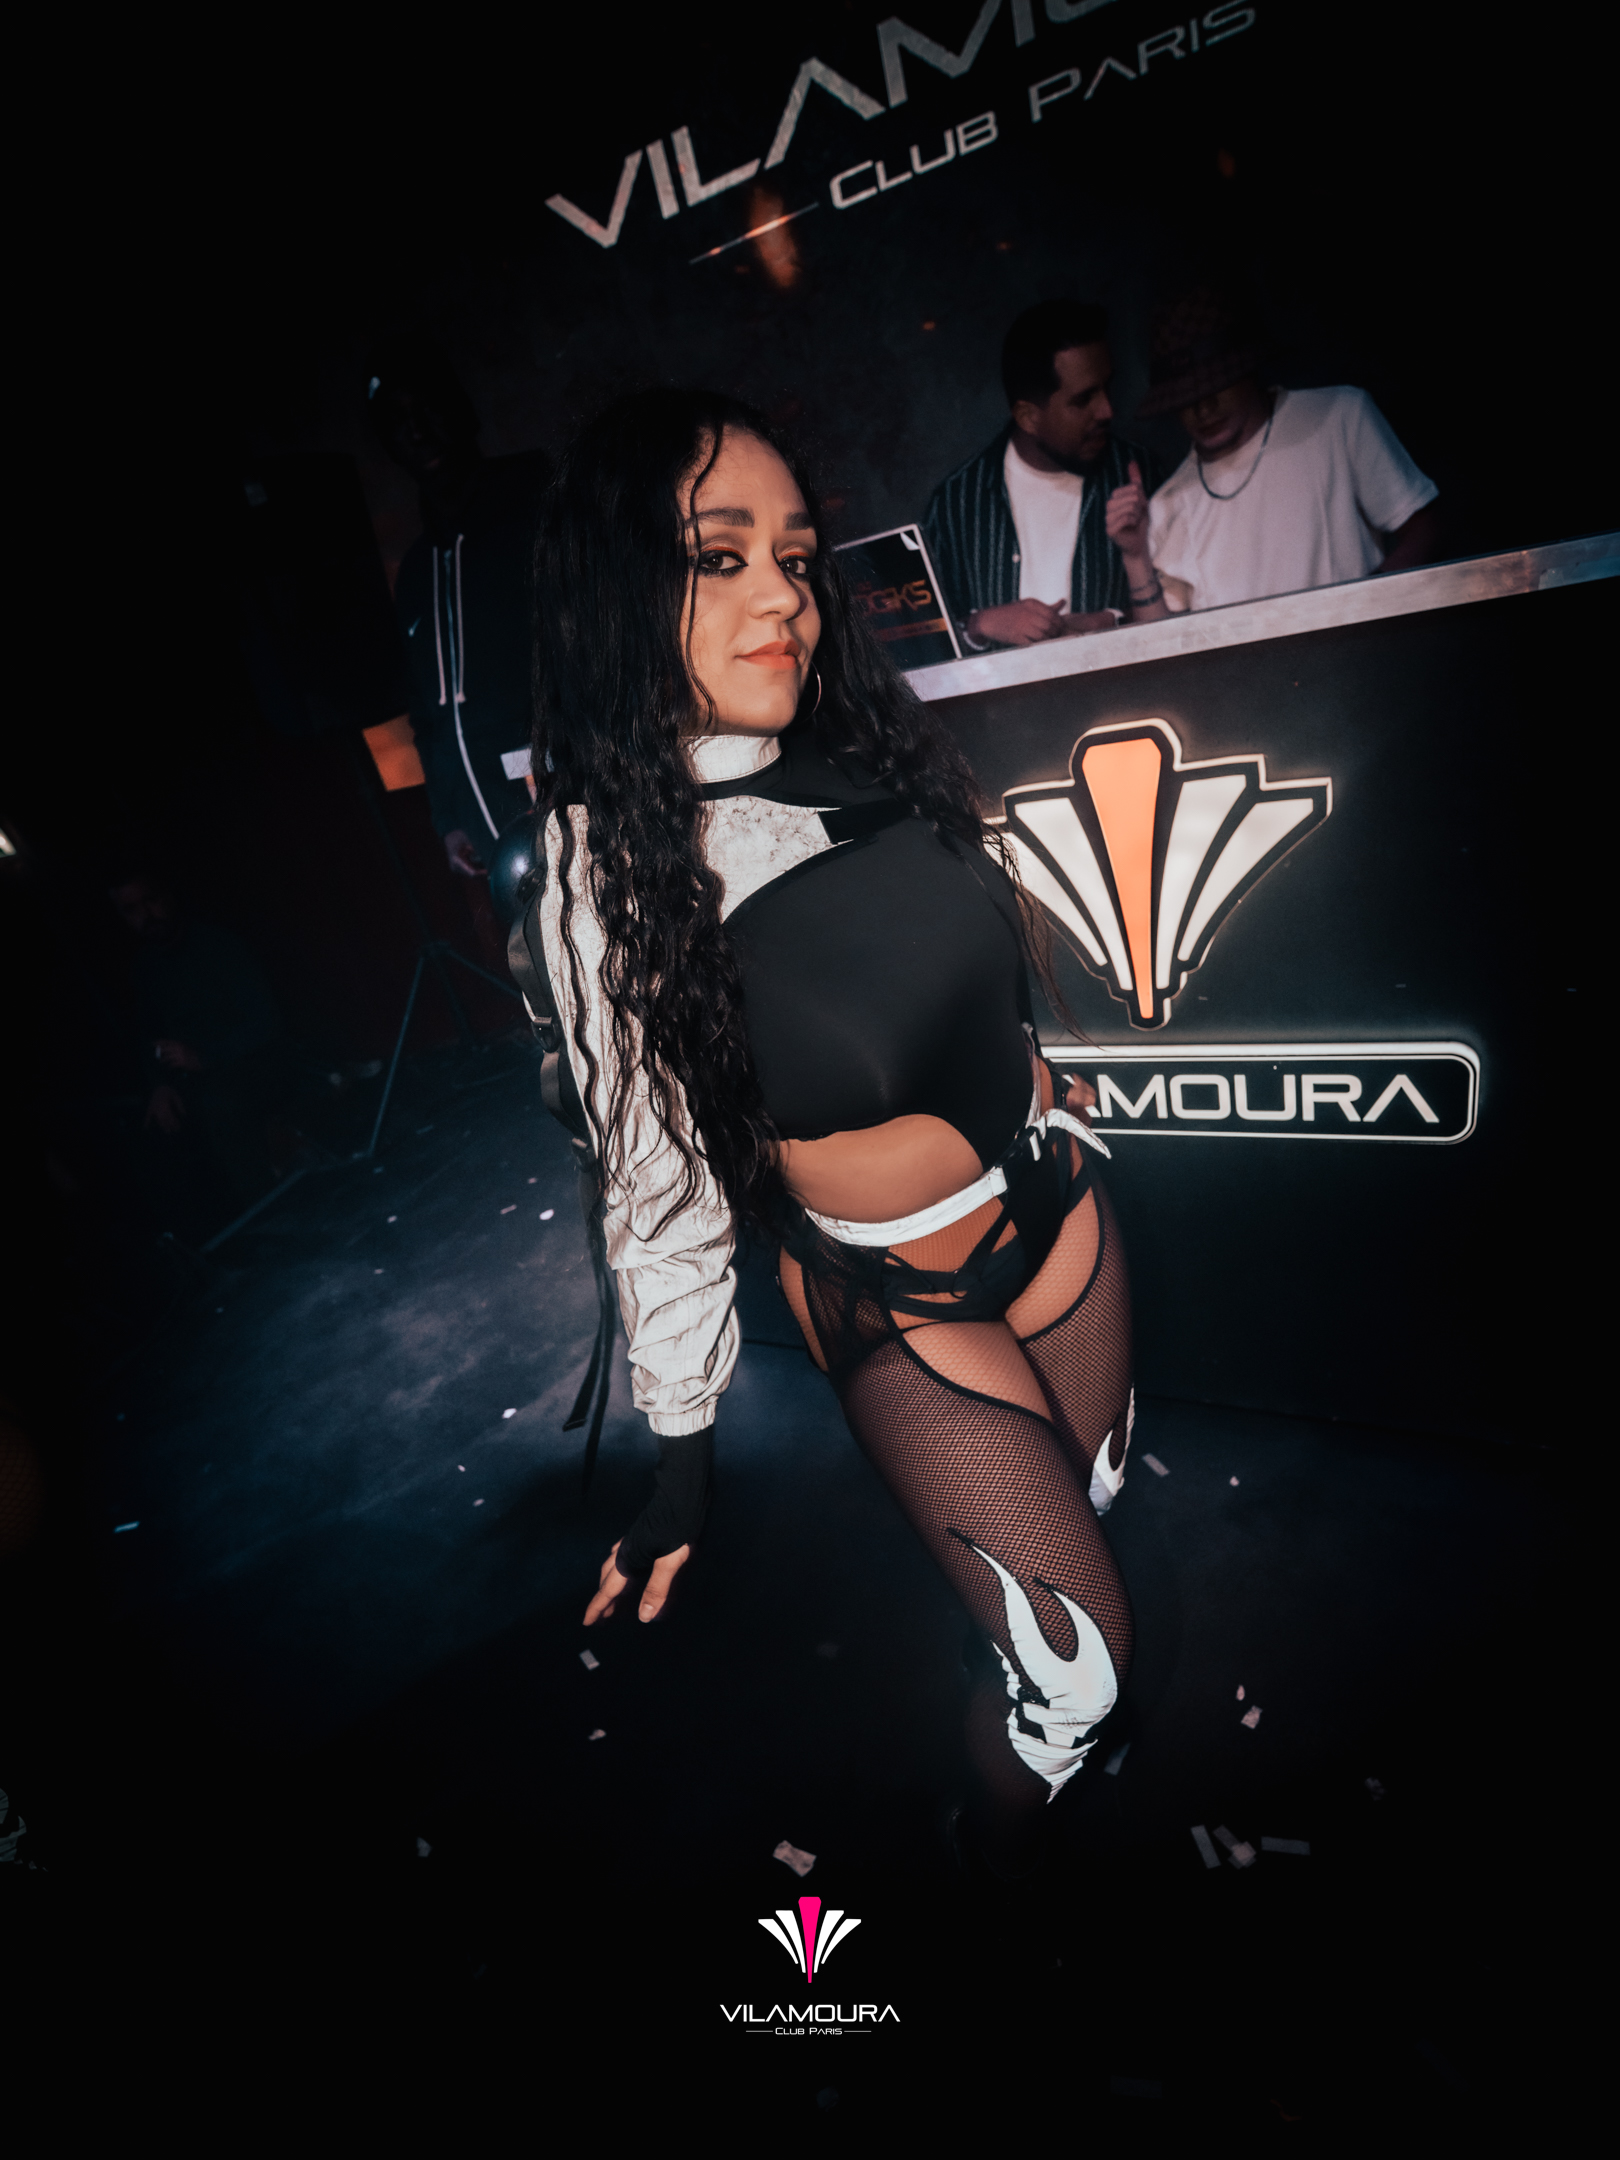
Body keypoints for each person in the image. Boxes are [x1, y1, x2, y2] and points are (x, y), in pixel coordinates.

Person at [534, 389, 1137, 1876]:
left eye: (796, 559)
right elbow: (657, 1186)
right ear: (618, 584)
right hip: (901, 1292)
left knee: (1088, 1516)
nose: (783, 601)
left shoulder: (865, 741)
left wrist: (1044, 1081)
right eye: (718, 555)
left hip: (1062, 1216)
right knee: (1083, 1677)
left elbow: (970, 975)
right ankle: (991, 1871)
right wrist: (683, 1461)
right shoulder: (611, 862)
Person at [1121, 288, 1443, 619]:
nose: (1203, 409)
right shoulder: (1170, 501)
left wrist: (1370, 609)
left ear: (1245, 369)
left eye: (1214, 387)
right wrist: (1136, 557)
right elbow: (1166, 635)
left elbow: (1422, 527)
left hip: (1353, 647)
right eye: (1186, 398)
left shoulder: (1339, 417)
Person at [370, 340, 552, 878]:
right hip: (492, 827)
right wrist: (449, 818)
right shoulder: (417, 570)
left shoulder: (536, 507)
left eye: (426, 408)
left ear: (461, 411)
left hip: (570, 796)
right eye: (397, 422)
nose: (416, 431)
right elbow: (427, 713)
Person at [921, 300, 1165, 649]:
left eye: (1107, 387)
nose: (1107, 410)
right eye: (1083, 400)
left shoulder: (1142, 475)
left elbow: (1189, 610)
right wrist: (979, 625)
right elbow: (923, 642)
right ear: (1028, 417)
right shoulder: (957, 503)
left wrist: (1110, 620)